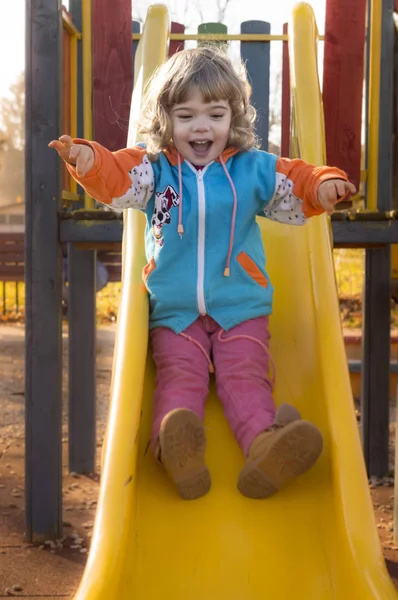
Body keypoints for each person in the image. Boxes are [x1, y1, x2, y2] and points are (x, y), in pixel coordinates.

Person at [49, 47, 355, 501]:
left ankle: (265, 450)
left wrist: (324, 185)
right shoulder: (155, 174)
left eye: (215, 114)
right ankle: (175, 450)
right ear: (166, 122)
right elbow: (117, 176)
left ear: (233, 119)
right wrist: (89, 160)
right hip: (175, 311)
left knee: (246, 377)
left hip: (241, 307)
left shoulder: (252, 169)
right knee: (180, 378)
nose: (201, 127)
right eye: (186, 115)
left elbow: (297, 180)